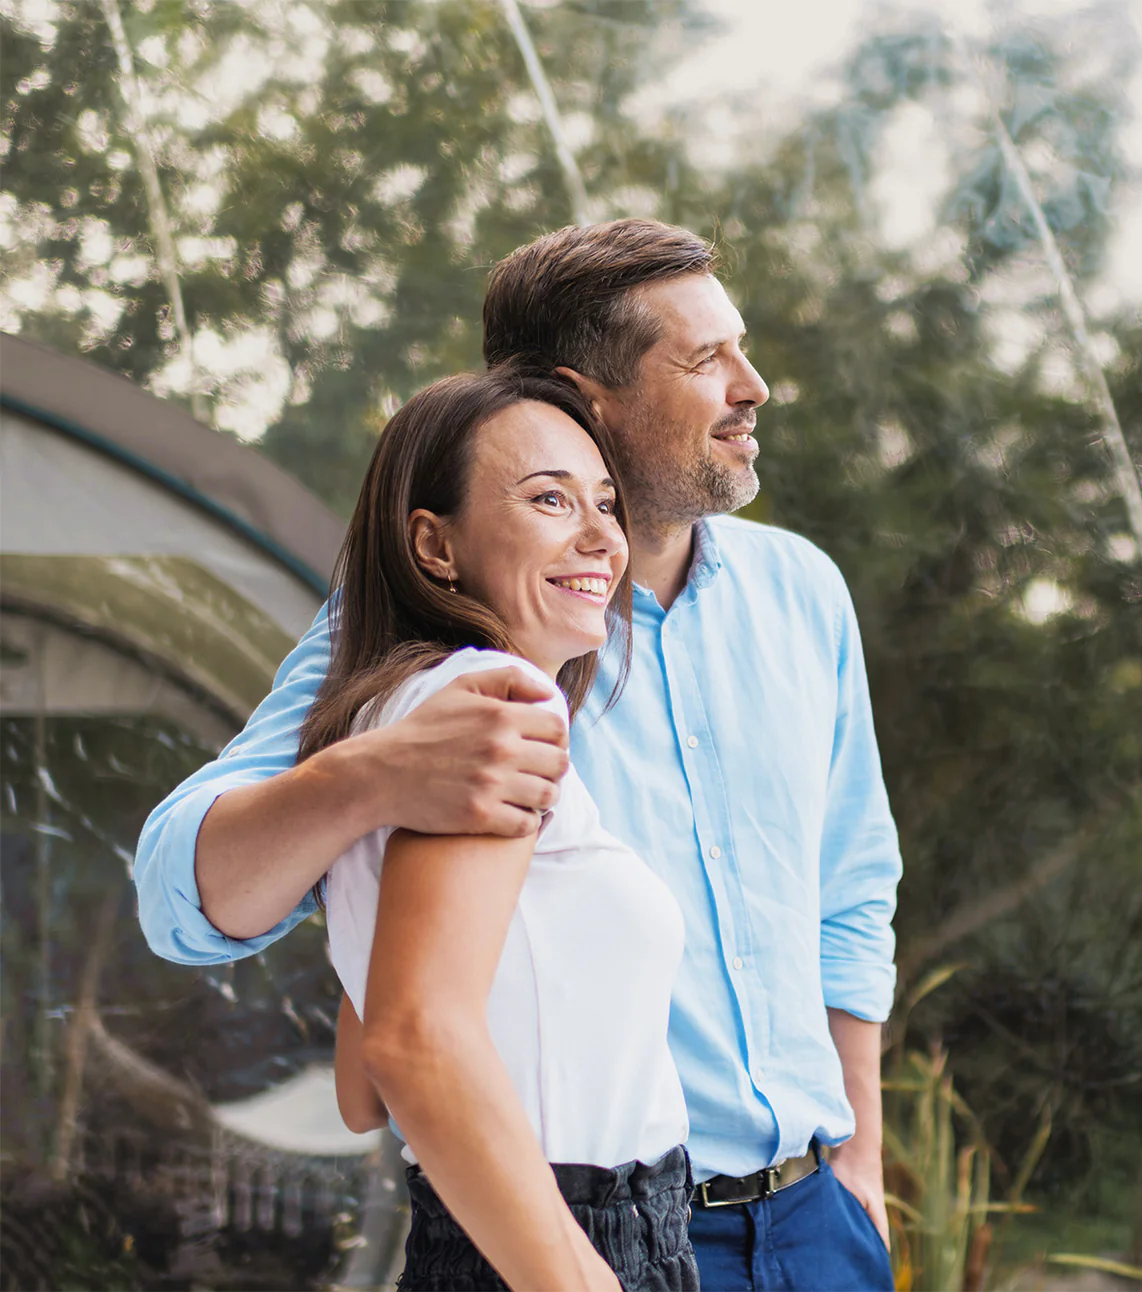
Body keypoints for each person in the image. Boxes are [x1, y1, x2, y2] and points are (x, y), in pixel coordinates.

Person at [135, 218, 902, 1292]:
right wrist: (372, 775)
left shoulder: (803, 593)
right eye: (704, 359)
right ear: (584, 399)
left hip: (820, 1220)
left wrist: (857, 1164)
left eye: (742, 346)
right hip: (587, 1231)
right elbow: (181, 893)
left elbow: (852, 896)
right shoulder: (441, 649)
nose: (754, 385)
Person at [308, 366, 696, 1291]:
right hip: (570, 1244)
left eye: (605, 502)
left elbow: (362, 1090)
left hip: (478, 1235)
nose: (604, 536)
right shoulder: (497, 706)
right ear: (434, 546)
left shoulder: (392, 717)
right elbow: (409, 1042)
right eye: (549, 499)